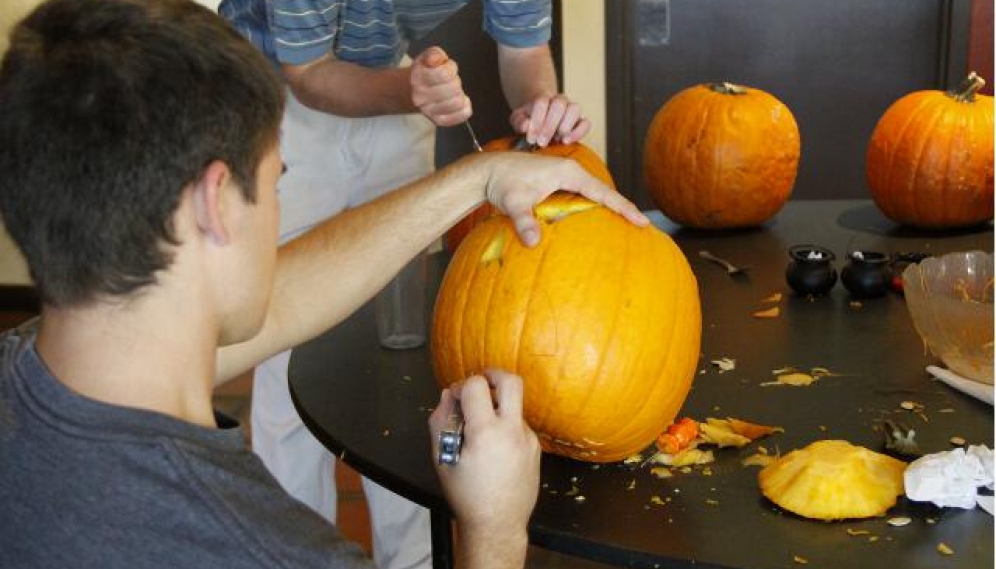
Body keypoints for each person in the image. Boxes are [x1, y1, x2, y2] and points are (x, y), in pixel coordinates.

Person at [0, 0, 648, 568]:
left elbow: (283, 303)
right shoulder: (271, 550)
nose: (280, 208)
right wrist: (494, 531)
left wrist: (476, 180)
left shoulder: (36, 365)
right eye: (277, 182)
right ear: (215, 204)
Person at [215, 2, 592, 567]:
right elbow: (310, 74)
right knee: (283, 354)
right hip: (276, 97)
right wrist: (409, 91)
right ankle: (290, 552)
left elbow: (524, 49)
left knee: (404, 344)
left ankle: (413, 558)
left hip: (392, 78)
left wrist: (540, 108)